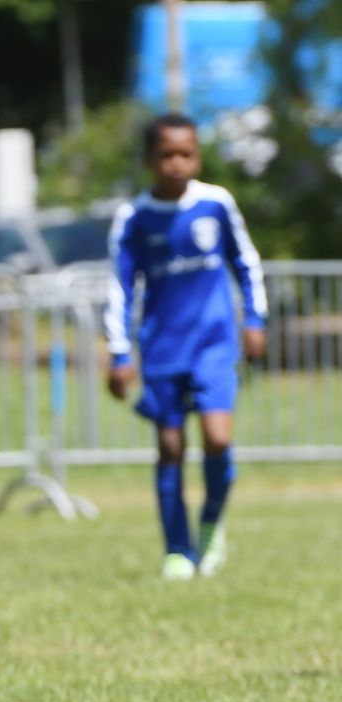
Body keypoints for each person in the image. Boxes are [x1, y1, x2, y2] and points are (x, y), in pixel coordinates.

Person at [105, 113, 267, 580]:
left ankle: (211, 526)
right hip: (161, 348)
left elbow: (246, 263)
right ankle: (177, 548)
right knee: (171, 446)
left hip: (215, 342)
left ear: (197, 156)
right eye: (166, 155)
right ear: (149, 160)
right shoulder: (134, 217)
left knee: (217, 438)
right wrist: (119, 353)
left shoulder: (216, 204)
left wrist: (254, 320)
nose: (177, 163)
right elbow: (119, 288)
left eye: (186, 153)